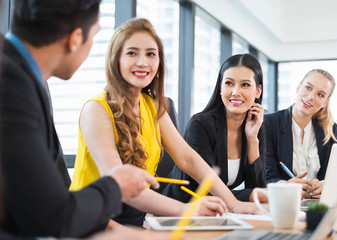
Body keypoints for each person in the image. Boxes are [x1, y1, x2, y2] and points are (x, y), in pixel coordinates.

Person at [0, 1, 170, 239]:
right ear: (75, 38)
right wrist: (115, 186)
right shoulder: (12, 84)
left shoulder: (26, 78)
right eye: (94, 37)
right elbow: (50, 214)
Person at [70, 18, 261, 225]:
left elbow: (188, 159)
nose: (143, 62)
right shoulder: (96, 109)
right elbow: (120, 184)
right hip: (93, 222)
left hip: (136, 221)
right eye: (132, 53)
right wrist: (186, 209)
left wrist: (233, 203)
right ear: (116, 59)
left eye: (151, 54)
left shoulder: (153, 107)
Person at [163, 54, 267, 203]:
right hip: (182, 210)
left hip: (221, 213)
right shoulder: (200, 124)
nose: (236, 92)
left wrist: (252, 139)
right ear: (220, 87)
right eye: (229, 83)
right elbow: (206, 189)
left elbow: (257, 187)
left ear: (258, 91)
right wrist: (253, 196)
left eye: (245, 85)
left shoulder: (256, 126)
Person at [265, 69, 337, 199]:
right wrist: (287, 186)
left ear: (325, 102)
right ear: (298, 87)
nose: (311, 97)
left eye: (320, 95)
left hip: (317, 204)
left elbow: (332, 175)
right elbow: (267, 176)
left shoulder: (330, 129)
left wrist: (324, 185)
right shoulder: (269, 123)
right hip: (283, 201)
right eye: (308, 87)